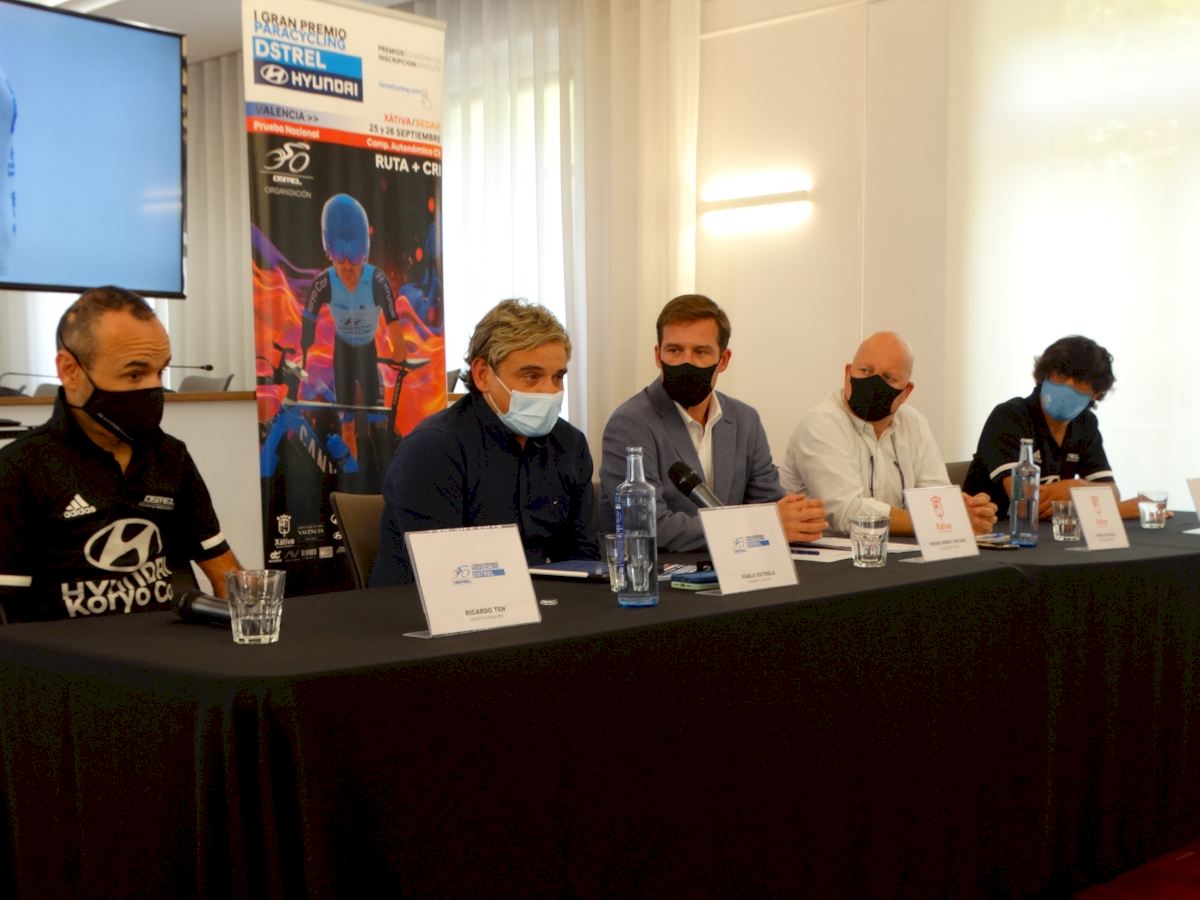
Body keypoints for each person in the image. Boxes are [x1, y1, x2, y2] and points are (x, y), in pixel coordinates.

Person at [0, 286, 240, 623]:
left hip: (174, 651)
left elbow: (225, 572)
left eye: (160, 371)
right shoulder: (18, 470)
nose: (154, 388)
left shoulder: (170, 456)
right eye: (135, 373)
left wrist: (253, 621)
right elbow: (6, 616)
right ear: (70, 370)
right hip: (68, 655)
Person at [370, 299, 599, 586]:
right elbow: (443, 573)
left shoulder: (570, 445)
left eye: (558, 377)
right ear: (482, 375)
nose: (550, 391)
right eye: (531, 376)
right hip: (427, 605)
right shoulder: (433, 449)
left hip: (539, 603)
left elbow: (583, 558)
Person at [600, 294, 827, 552]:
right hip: (657, 573)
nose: (686, 362)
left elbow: (770, 505)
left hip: (739, 568)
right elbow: (650, 527)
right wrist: (761, 525)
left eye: (700, 352)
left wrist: (799, 518)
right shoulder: (630, 423)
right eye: (674, 350)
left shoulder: (745, 420)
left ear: (724, 360)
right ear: (657, 355)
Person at [781, 331, 997, 536]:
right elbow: (848, 513)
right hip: (832, 555)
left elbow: (935, 497)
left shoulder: (914, 423)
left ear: (906, 392)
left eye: (888, 378)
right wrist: (943, 520)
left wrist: (969, 513)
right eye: (865, 371)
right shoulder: (820, 423)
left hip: (897, 551)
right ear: (847, 373)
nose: (874, 383)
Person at [963, 334, 1142, 519]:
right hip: (995, 530)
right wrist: (1116, 509)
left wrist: (1077, 487)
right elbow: (1025, 503)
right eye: (1061, 375)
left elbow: (1112, 492)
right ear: (1045, 376)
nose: (1067, 386)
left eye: (1080, 380)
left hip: (1050, 532)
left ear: (1095, 393)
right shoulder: (1010, 416)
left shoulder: (1085, 423)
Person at [301, 193, 407, 411]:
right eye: (339, 254)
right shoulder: (323, 283)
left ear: (365, 251)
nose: (348, 265)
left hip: (368, 350)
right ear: (328, 251)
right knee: (346, 416)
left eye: (355, 254)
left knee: (376, 415)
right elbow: (307, 322)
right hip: (343, 351)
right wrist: (302, 356)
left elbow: (393, 319)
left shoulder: (377, 280)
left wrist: (399, 348)